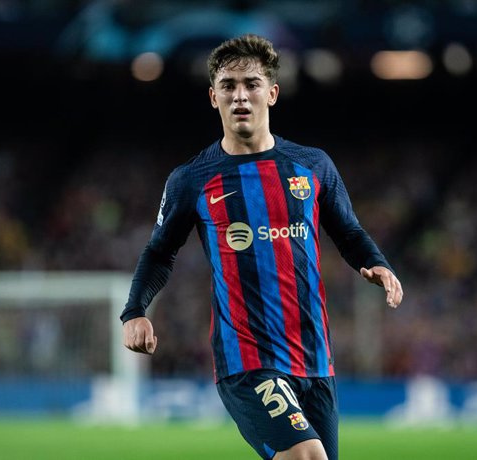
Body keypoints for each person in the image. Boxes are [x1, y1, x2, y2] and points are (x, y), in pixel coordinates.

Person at [121, 33, 403, 460]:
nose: (240, 95)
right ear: (212, 98)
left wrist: (376, 263)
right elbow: (160, 252)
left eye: (251, 84)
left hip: (314, 360)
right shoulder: (192, 180)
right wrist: (135, 311)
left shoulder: (312, 166)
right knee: (307, 457)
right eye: (228, 86)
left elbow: (348, 231)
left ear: (271, 93)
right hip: (247, 360)